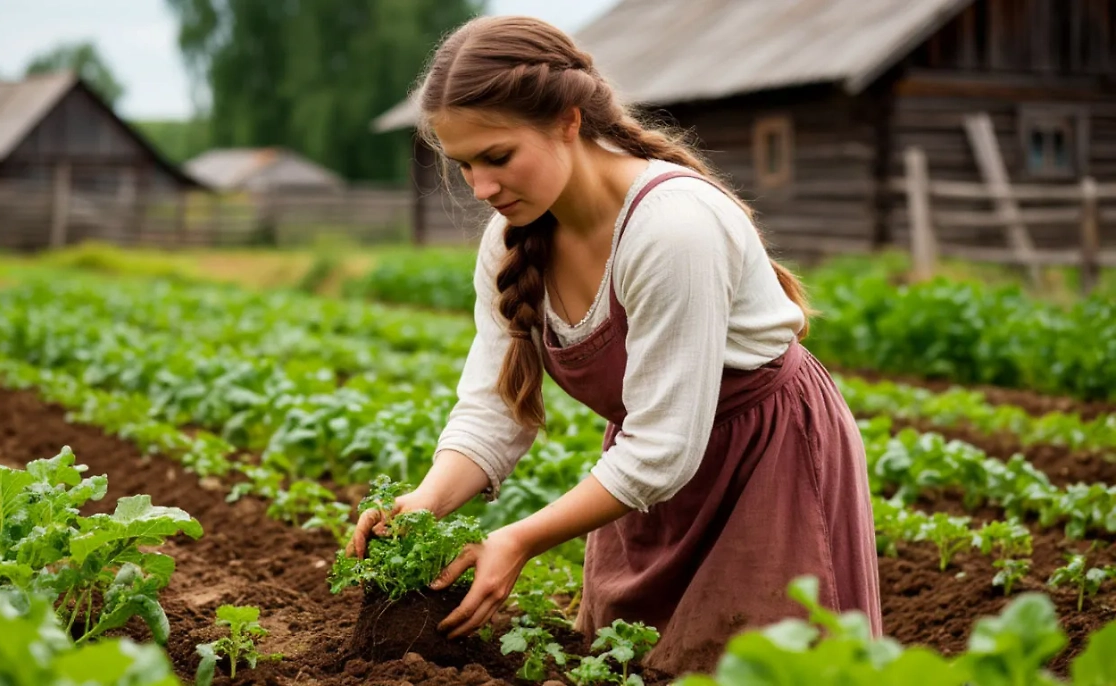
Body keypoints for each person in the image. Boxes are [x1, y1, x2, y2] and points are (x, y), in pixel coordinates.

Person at [348, 14, 883, 675]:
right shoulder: (511, 239)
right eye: (463, 166)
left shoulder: (671, 229)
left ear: (568, 121)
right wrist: (427, 500)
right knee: (636, 662)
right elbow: (496, 407)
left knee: (761, 667)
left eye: (498, 157)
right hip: (651, 482)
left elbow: (664, 446)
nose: (482, 188)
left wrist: (518, 539)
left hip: (765, 466)